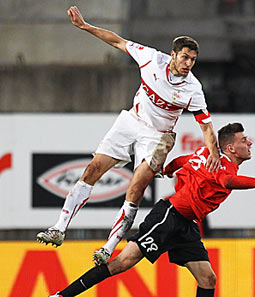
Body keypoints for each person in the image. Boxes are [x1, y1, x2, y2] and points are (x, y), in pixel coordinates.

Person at [36, 5, 221, 266]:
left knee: (136, 187)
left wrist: (213, 152)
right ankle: (59, 228)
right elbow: (117, 41)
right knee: (93, 169)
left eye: (193, 60)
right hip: (131, 121)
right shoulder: (150, 59)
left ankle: (109, 247)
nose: (188, 64)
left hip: (158, 136)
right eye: (185, 58)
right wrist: (85, 26)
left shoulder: (193, 88)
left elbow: (205, 125)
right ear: (172, 55)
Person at [48, 122, 255, 297]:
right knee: (121, 263)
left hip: (187, 225)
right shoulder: (224, 165)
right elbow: (227, 182)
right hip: (168, 216)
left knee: (208, 279)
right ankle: (62, 295)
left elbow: (183, 161)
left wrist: (167, 169)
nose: (249, 142)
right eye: (243, 140)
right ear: (230, 148)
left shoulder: (207, 154)